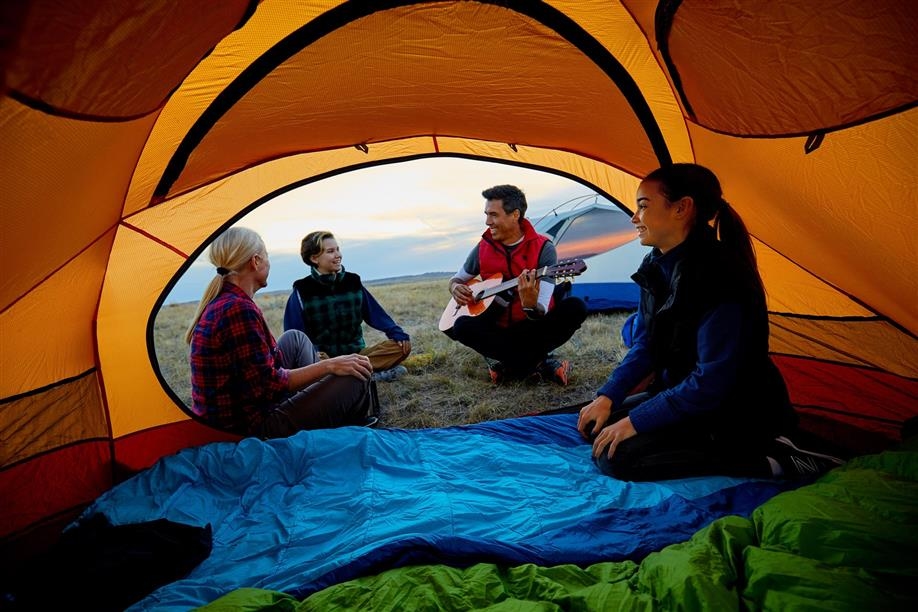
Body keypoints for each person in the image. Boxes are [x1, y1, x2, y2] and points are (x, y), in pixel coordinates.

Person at [577, 163, 844, 481]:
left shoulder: (719, 274)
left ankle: (776, 457)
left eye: (643, 207)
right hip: (684, 394)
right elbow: (647, 343)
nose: (634, 218)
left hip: (733, 410)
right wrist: (609, 395)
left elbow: (713, 380)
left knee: (619, 458)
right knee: (598, 430)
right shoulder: (656, 264)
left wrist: (635, 422)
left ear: (682, 208)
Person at [186, 227, 376, 438]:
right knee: (354, 376)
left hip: (249, 408)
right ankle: (344, 431)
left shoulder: (228, 300)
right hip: (252, 427)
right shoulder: (237, 309)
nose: (269, 262)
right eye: (266, 256)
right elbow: (269, 386)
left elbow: (260, 376)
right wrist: (329, 365)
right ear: (255, 261)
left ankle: (323, 403)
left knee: (295, 338)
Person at [444, 184, 587, 385]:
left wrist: (530, 305)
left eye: (493, 215)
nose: (487, 222)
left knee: (575, 307)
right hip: (498, 331)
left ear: (515, 215)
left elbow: (543, 307)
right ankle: (538, 363)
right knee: (461, 326)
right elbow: (457, 279)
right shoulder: (483, 247)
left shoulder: (543, 248)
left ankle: (509, 367)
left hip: (533, 329)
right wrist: (455, 288)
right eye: (486, 214)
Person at [283, 231, 411, 382]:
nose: (338, 255)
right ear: (314, 258)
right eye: (330, 251)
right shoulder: (302, 290)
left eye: (337, 249)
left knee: (400, 347)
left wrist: (396, 333)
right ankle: (366, 375)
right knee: (312, 361)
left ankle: (347, 376)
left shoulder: (353, 281)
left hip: (357, 353)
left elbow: (375, 314)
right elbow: (295, 334)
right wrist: (315, 354)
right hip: (325, 359)